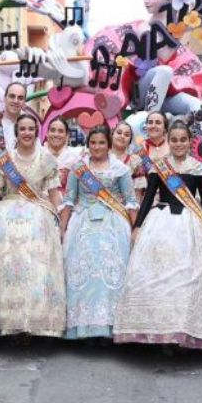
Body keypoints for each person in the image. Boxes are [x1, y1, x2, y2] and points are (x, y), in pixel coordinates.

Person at [115, 119, 202, 349]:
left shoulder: (198, 168)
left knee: (183, 278)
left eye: (183, 140)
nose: (178, 144)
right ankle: (155, 330)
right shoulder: (158, 166)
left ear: (191, 143)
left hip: (189, 226)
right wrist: (138, 226)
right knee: (155, 276)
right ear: (168, 141)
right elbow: (149, 197)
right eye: (174, 140)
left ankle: (178, 331)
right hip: (160, 223)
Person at [0, 112, 66, 338]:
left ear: (37, 132)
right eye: (23, 129)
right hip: (7, 210)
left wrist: (61, 220)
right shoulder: (4, 160)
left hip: (38, 211)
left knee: (37, 263)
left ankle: (36, 318)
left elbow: (54, 195)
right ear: (17, 133)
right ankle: (8, 319)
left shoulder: (47, 159)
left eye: (31, 129)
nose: (27, 133)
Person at [62, 124, 138, 340]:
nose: (97, 147)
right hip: (83, 222)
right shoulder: (78, 169)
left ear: (109, 144)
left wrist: (135, 230)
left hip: (113, 223)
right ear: (88, 144)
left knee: (111, 273)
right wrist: (63, 228)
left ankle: (109, 325)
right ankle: (82, 327)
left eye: (101, 142)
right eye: (93, 142)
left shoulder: (121, 170)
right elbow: (69, 199)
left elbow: (131, 201)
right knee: (81, 272)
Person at [43, 116, 81, 194]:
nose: (56, 134)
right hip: (41, 202)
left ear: (67, 135)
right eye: (53, 130)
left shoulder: (76, 155)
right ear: (47, 133)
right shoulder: (39, 153)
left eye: (60, 131)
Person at [109, 120, 145, 196]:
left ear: (129, 141)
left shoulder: (135, 161)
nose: (122, 136)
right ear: (112, 135)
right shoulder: (100, 156)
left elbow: (138, 192)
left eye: (126, 135)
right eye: (119, 133)